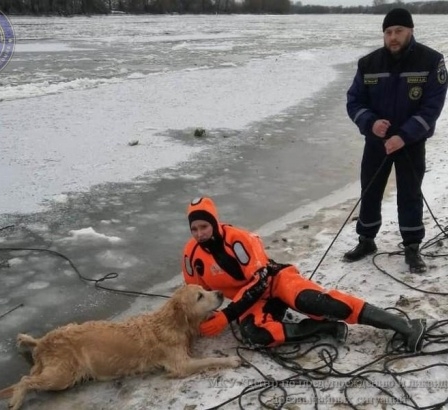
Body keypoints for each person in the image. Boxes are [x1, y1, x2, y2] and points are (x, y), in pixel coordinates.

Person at [181, 196, 425, 352]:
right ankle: (324, 329)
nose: (200, 233)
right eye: (194, 228)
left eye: (204, 226)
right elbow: (193, 294)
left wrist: (226, 316)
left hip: (274, 281)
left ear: (214, 222)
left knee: (320, 302)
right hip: (251, 303)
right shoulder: (191, 255)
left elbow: (260, 279)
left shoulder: (240, 239)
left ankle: (405, 325)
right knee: (255, 336)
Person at [344, 8, 447, 273]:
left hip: (411, 143)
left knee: (410, 194)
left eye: (399, 30)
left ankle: (412, 247)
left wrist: (404, 135)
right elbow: (355, 100)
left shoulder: (431, 61)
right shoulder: (368, 63)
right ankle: (366, 240)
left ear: (410, 30)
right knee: (370, 191)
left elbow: (431, 108)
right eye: (388, 32)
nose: (393, 37)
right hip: (376, 141)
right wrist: (371, 123)